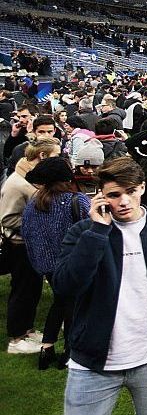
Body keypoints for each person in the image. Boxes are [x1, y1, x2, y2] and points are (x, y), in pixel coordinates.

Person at [52, 156, 147, 415]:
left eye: (131, 192)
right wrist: (98, 232)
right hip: (93, 364)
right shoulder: (83, 232)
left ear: (142, 188)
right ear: (100, 195)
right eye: (114, 195)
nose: (123, 202)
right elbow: (65, 286)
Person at [21, 157, 91, 369]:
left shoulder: (34, 203)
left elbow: (27, 234)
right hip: (73, 263)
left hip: (48, 266)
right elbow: (90, 229)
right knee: (73, 306)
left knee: (60, 303)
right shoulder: (76, 200)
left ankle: (47, 347)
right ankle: (70, 353)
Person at [1, 136, 61, 355]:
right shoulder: (18, 183)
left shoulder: (30, 178)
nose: (59, 158)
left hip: (31, 244)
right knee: (23, 290)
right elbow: (7, 219)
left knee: (33, 288)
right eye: (56, 155)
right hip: (18, 246)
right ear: (42, 156)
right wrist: (39, 222)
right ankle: (16, 339)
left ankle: (26, 330)